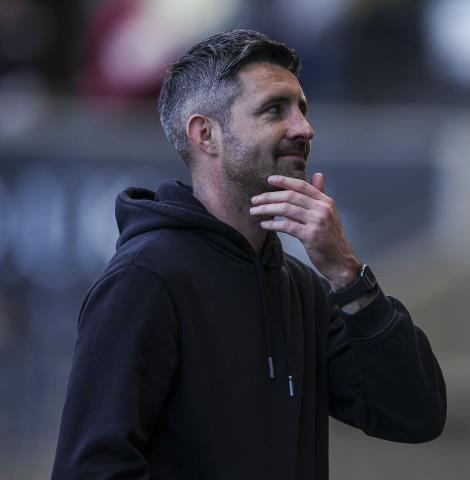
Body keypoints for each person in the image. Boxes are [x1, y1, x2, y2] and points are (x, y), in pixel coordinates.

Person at [51, 29, 446, 479]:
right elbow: (91, 470)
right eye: (274, 109)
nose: (304, 128)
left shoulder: (303, 289)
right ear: (206, 134)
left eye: (302, 109)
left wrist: (347, 274)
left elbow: (416, 414)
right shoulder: (145, 279)